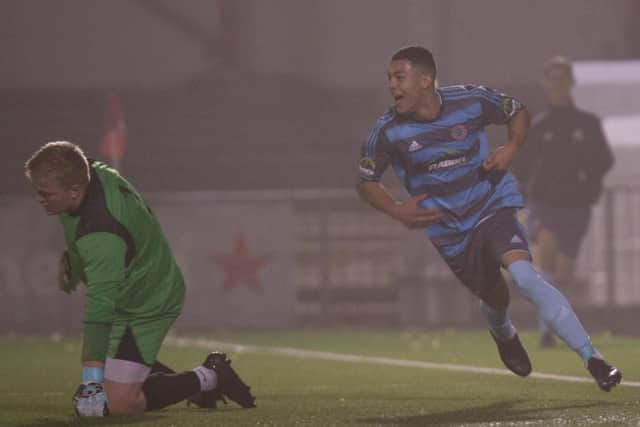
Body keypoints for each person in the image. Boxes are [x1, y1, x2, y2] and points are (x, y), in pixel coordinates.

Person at [356, 46, 621, 391]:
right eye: (390, 78)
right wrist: (396, 209)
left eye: (399, 77)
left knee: (525, 276)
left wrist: (511, 147)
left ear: (425, 79)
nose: (392, 85)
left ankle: (593, 359)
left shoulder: (471, 99)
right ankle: (504, 333)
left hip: (491, 206)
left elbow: (517, 110)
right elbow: (366, 182)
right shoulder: (388, 130)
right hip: (451, 231)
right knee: (495, 297)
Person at [25, 141, 256, 416]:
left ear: (74, 190)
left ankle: (211, 376)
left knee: (119, 402)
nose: (40, 199)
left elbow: (99, 315)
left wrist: (91, 383)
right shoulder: (90, 174)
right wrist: (74, 264)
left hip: (145, 304)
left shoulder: (102, 235)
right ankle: (171, 380)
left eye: (45, 194)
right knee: (119, 371)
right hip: (133, 288)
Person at [511, 56, 614, 347]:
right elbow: (523, 164)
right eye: (552, 79)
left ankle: (555, 320)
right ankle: (547, 330)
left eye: (562, 78)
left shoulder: (588, 124)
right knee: (547, 248)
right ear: (546, 84)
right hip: (544, 203)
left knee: (564, 272)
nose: (557, 85)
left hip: (576, 205)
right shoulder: (540, 126)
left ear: (571, 82)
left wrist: (589, 186)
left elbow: (603, 160)